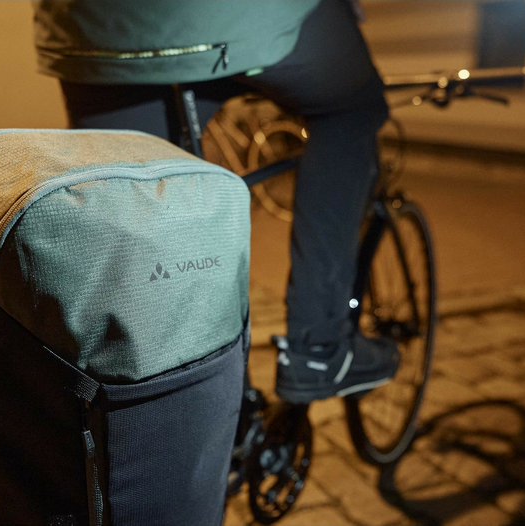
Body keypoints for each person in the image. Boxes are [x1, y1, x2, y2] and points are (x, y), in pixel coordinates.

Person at [33, 0, 399, 403]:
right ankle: (319, 349)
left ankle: (136, 390)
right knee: (352, 106)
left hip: (89, 31)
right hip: (231, 17)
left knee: (126, 190)